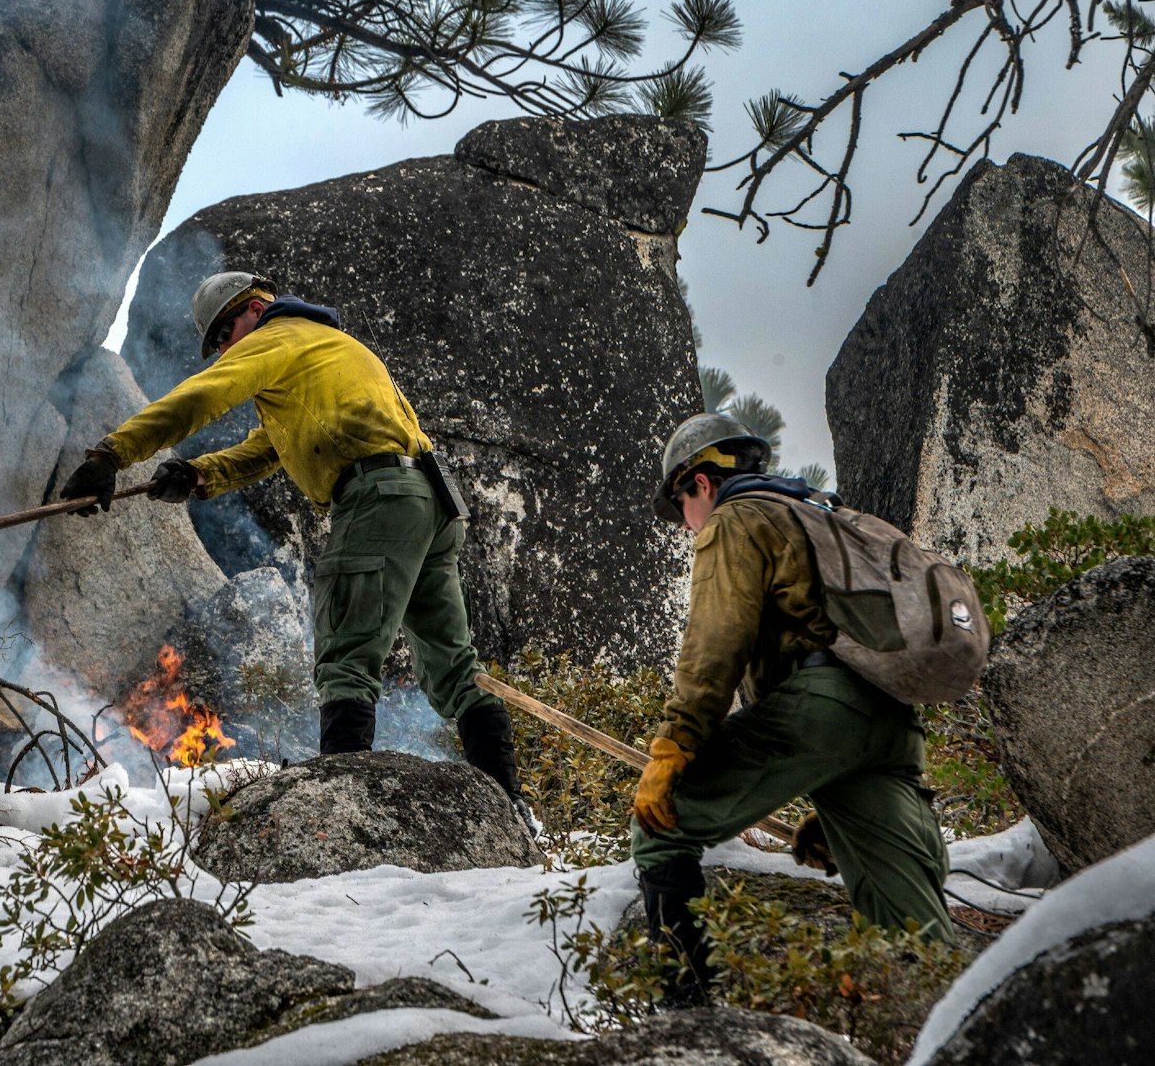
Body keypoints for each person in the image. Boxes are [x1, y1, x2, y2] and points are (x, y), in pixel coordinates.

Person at [57, 271, 523, 804]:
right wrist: (197, 474)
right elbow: (267, 449)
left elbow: (199, 398)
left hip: (379, 497)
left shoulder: (281, 337)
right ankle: (510, 806)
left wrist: (111, 455)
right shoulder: (328, 348)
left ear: (255, 308)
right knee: (455, 666)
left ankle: (339, 806)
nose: (224, 351)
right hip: (429, 502)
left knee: (344, 654)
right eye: (215, 345)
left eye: (224, 335)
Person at [631, 412, 954, 1005]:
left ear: (699, 483)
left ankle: (684, 1019)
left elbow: (717, 641)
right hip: (889, 720)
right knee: (912, 930)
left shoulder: (735, 518)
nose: (683, 526)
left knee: (661, 825)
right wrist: (836, 803)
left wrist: (674, 744)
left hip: (822, 711)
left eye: (680, 507)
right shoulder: (817, 512)